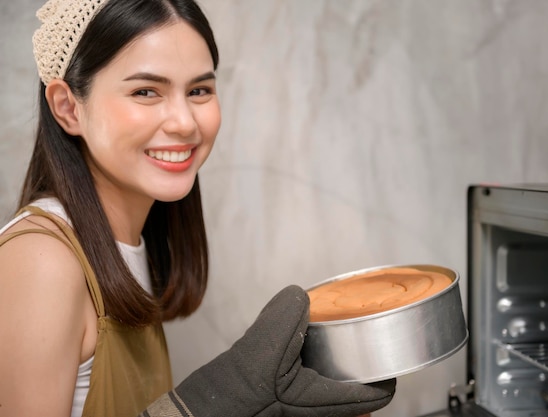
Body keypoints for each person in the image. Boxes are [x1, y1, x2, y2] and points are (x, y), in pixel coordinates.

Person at [0, 0, 396, 416]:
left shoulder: (127, 243)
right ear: (67, 107)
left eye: (199, 90)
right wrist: (211, 399)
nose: (185, 122)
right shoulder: (42, 261)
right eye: (146, 91)